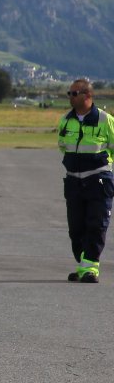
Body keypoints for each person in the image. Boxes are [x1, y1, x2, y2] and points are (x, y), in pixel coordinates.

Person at [57, 78, 114, 283]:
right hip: (74, 182)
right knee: (76, 229)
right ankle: (83, 266)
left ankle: (90, 269)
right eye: (69, 93)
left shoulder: (105, 120)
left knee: (96, 225)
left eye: (74, 93)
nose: (70, 97)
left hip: (98, 181)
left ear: (88, 96)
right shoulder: (66, 120)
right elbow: (62, 145)